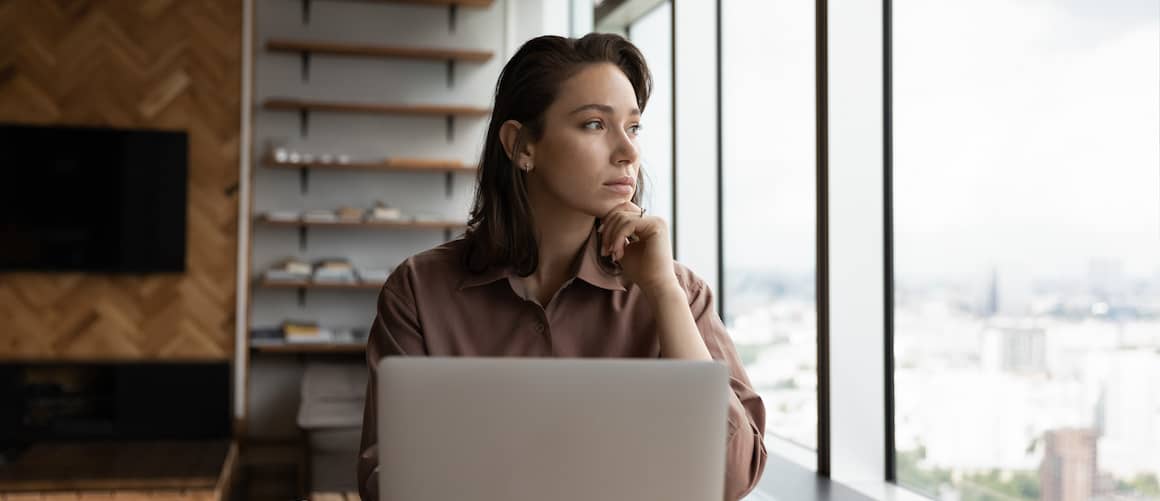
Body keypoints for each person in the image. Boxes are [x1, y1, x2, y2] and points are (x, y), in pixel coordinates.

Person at [358, 33, 767, 501]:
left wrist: (662, 290)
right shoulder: (417, 291)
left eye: (632, 127)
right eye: (595, 124)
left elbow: (732, 479)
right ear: (521, 146)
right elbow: (385, 481)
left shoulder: (679, 292)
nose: (628, 152)